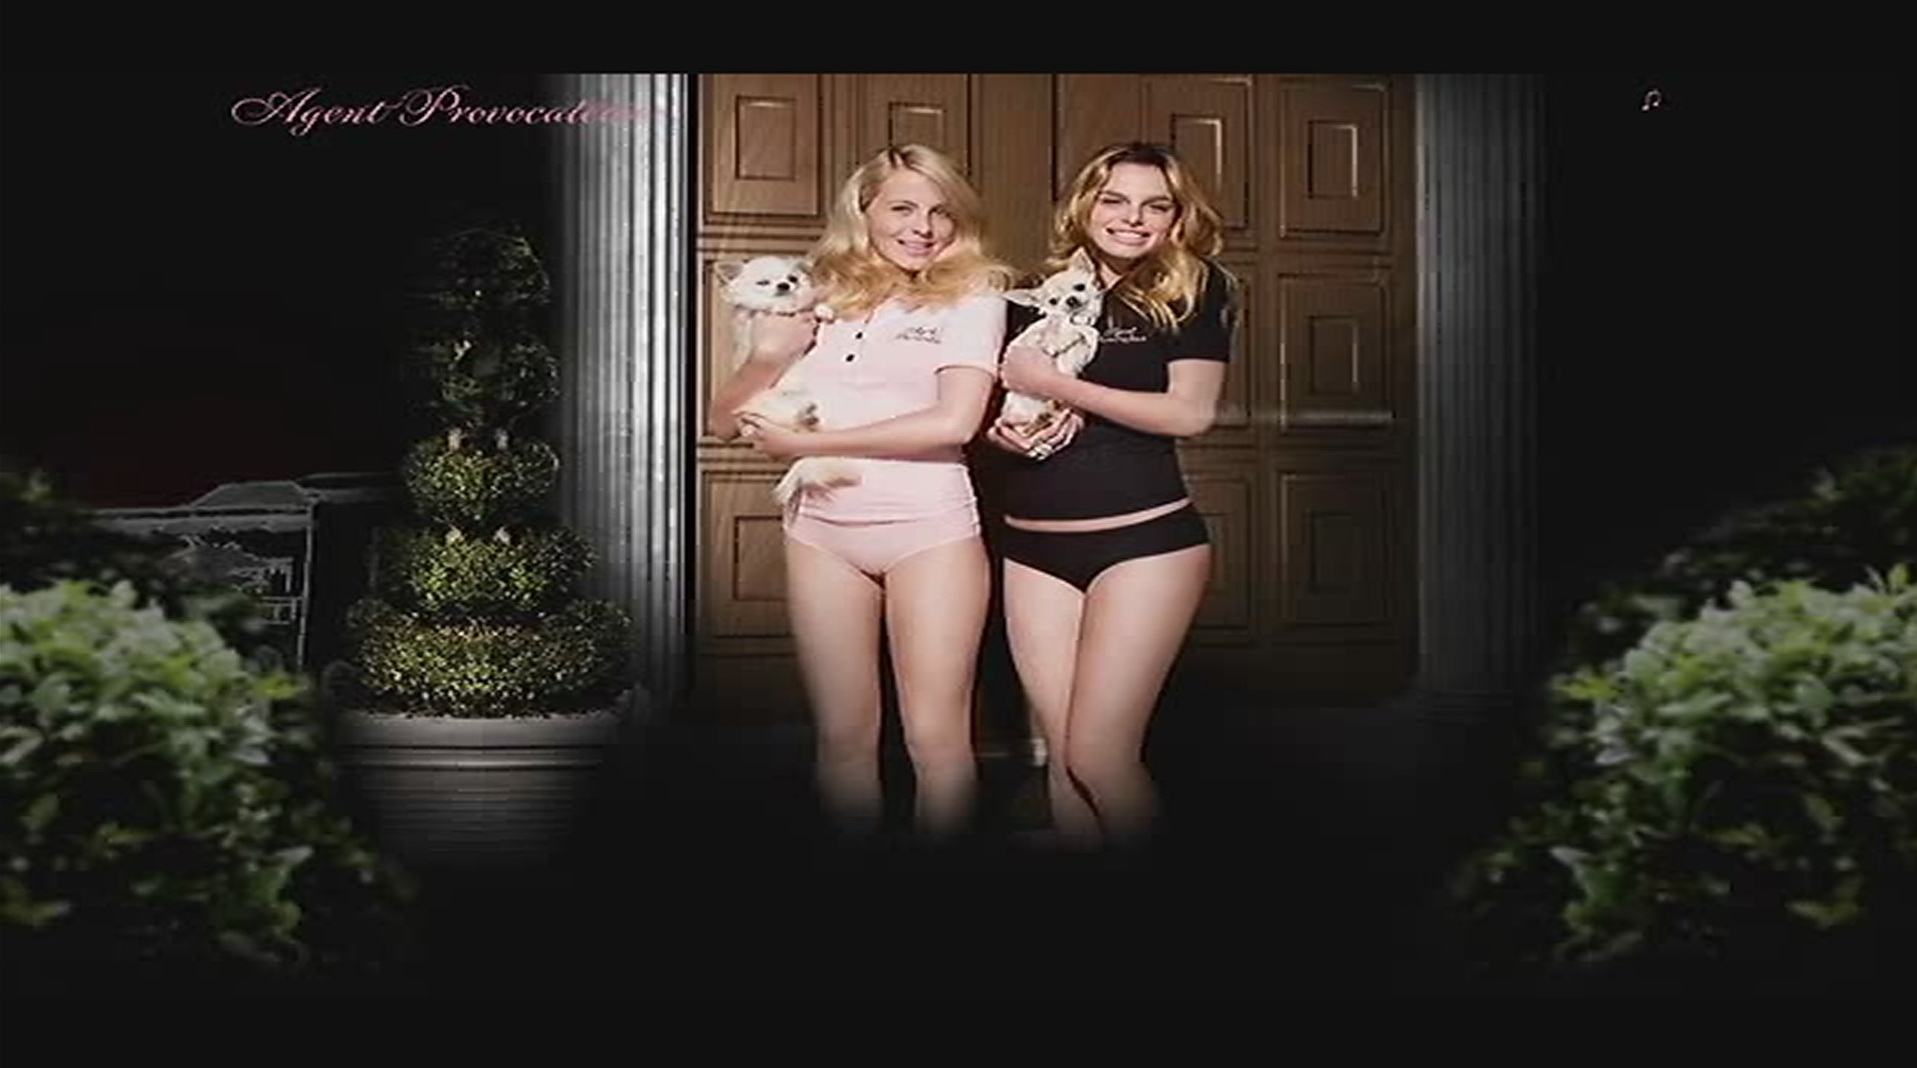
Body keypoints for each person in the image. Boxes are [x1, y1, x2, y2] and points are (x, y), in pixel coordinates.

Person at [707, 144, 1015, 844]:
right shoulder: (815, 294)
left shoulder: (974, 295)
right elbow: (722, 422)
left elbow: (955, 422)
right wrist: (768, 357)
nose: (922, 227)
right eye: (902, 208)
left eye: (940, 211)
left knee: (935, 740)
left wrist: (811, 446)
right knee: (844, 739)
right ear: (864, 210)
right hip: (821, 534)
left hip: (929, 532)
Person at [983, 142, 1237, 852]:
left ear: (1176, 217)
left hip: (1142, 544)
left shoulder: (1194, 288)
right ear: (1084, 206)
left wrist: (1059, 385)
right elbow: (995, 405)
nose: (1133, 218)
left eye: (1155, 205)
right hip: (1033, 549)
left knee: (1101, 757)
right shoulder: (1030, 292)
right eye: (1115, 200)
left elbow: (1190, 412)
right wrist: (1003, 434)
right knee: (1066, 762)